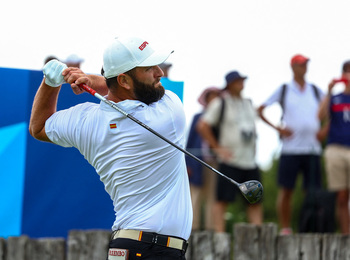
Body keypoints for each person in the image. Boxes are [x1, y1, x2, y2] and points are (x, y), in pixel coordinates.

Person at [29, 36, 192, 259]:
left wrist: (51, 81)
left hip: (124, 246)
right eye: (149, 68)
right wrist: (91, 80)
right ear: (124, 80)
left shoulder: (85, 120)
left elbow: (38, 127)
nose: (159, 73)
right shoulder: (168, 114)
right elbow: (120, 88)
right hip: (156, 250)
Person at [257, 54, 325, 235]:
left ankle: (308, 227)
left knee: (311, 192)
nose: (304, 68)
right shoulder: (284, 89)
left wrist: (325, 131)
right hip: (291, 149)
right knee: (286, 190)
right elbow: (261, 109)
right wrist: (278, 129)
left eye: (305, 65)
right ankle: (286, 228)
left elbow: (330, 109)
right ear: (293, 67)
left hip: (312, 149)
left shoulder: (316, 91)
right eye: (301, 65)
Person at [197, 71, 263, 233]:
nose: (241, 83)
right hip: (230, 161)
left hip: (249, 160)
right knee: (222, 200)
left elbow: (253, 126)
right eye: (238, 81)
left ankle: (259, 235)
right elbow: (202, 126)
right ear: (230, 84)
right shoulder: (221, 103)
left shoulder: (248, 103)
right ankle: (220, 235)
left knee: (255, 200)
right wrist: (218, 148)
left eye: (242, 80)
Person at [318, 60, 350, 234]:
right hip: (336, 148)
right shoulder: (335, 97)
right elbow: (320, 115)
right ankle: (346, 236)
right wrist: (329, 92)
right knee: (342, 196)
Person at [186, 86, 221, 231]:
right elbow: (190, 142)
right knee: (195, 194)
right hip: (197, 163)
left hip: (215, 161)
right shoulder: (197, 117)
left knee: (212, 195)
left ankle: (209, 228)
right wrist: (187, 164)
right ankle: (192, 227)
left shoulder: (220, 119)